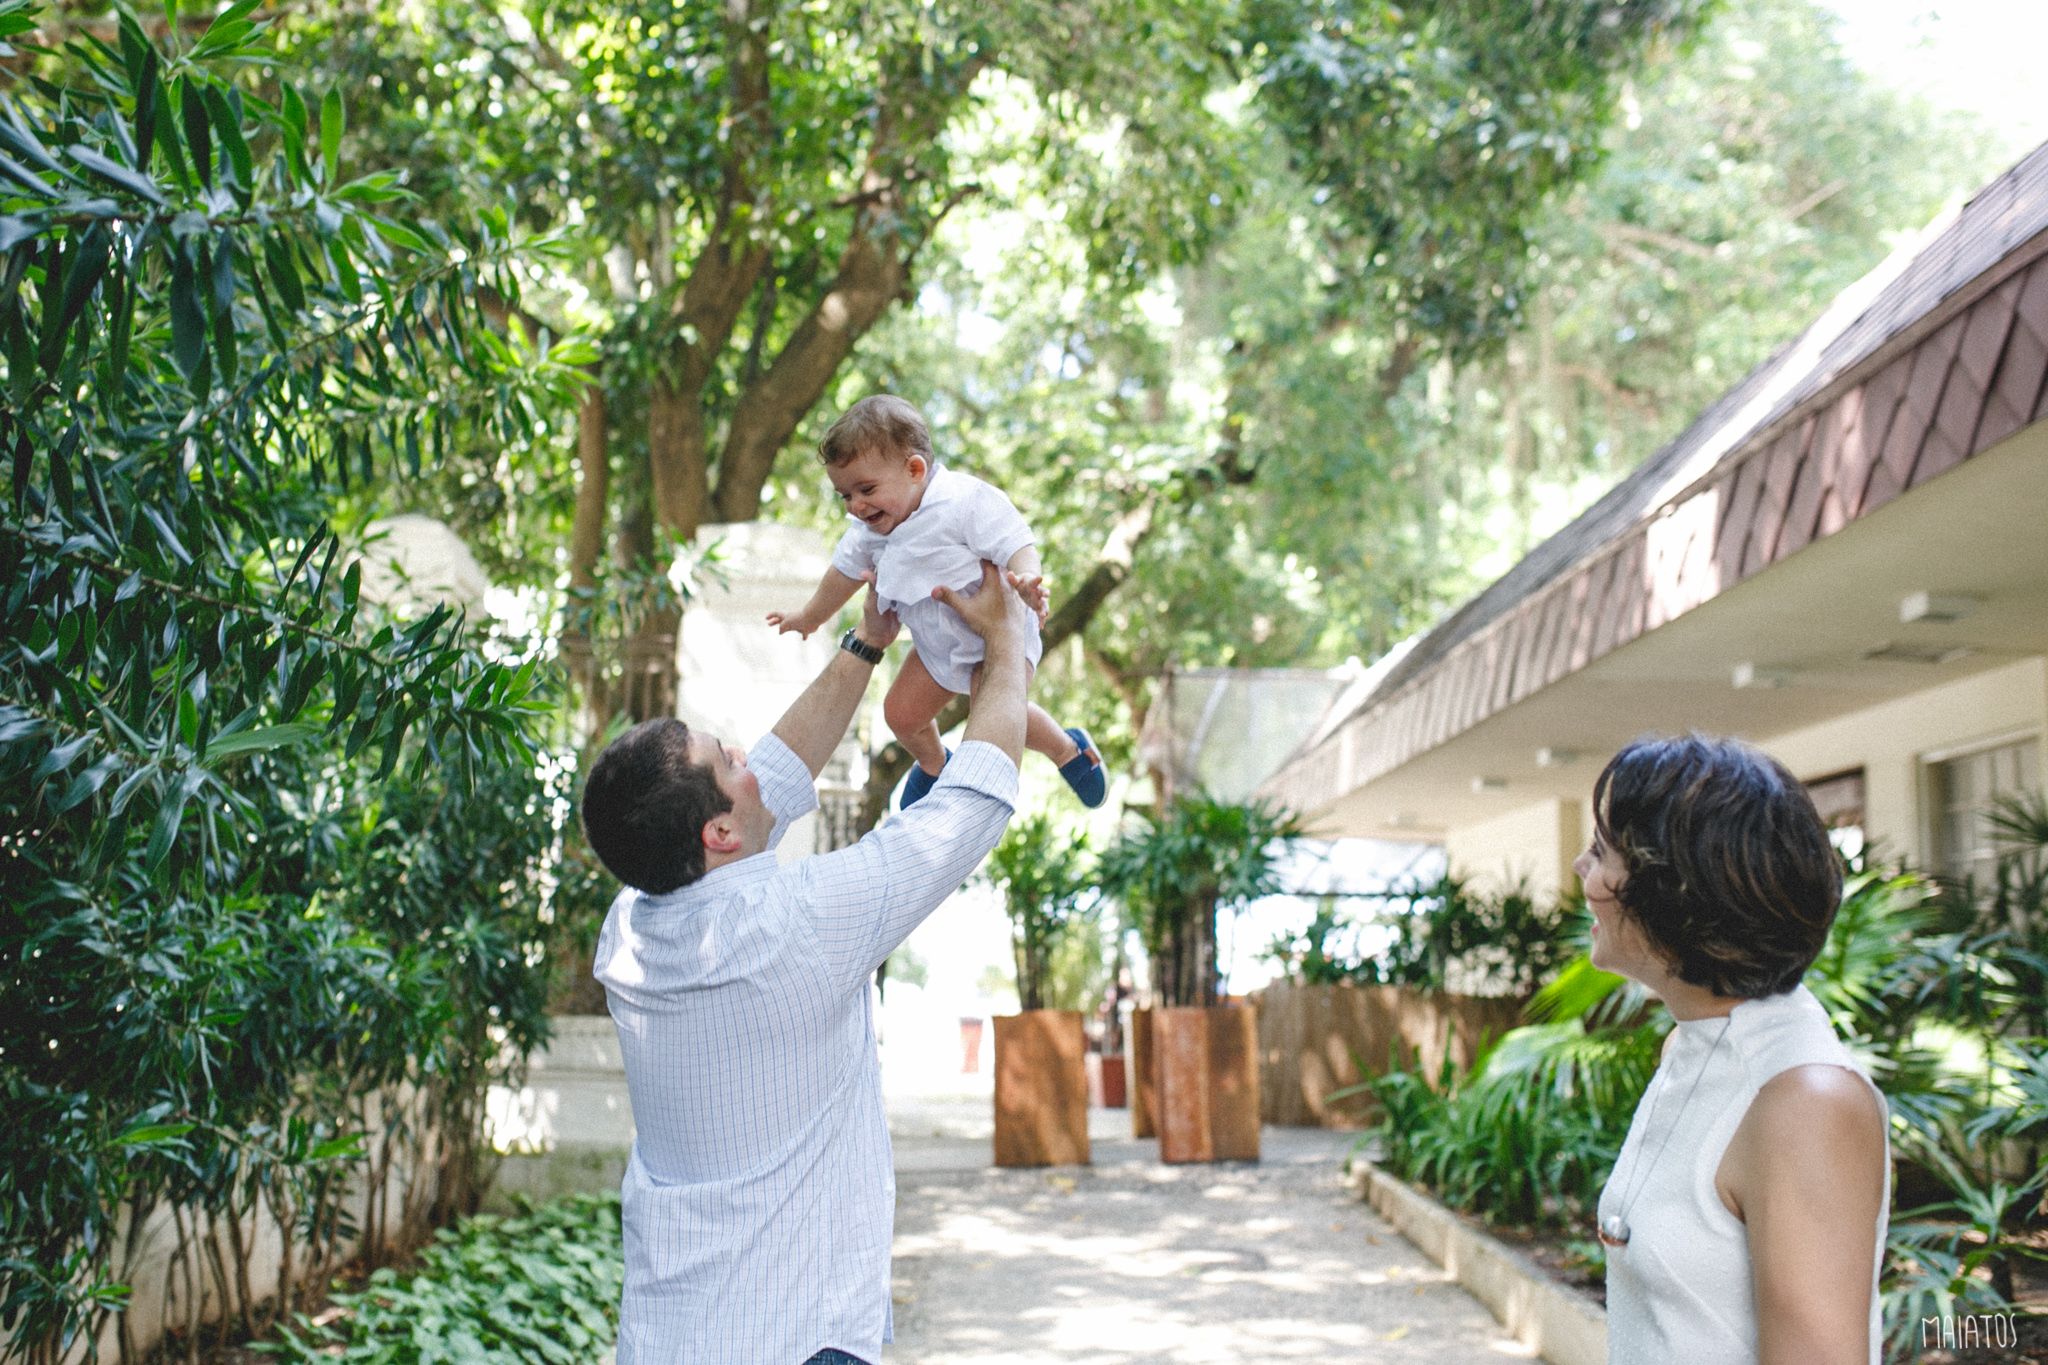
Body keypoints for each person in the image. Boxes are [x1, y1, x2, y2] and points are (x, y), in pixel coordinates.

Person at [578, 560, 1034, 1365]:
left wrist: (866, 642)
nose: (750, 755)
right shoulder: (802, 928)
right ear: (716, 832)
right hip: (794, 1339)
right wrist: (1007, 646)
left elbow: (772, 778)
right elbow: (973, 804)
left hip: (666, 1340)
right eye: (729, 757)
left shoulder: (632, 930)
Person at [1579, 734, 1889, 1365]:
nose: (1583, 872)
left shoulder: (1805, 1101)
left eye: (1600, 850)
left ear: (1676, 892)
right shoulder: (1691, 1047)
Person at [766, 394, 1105, 809]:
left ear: (914, 469)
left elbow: (1015, 539)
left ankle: (1067, 750)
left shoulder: (962, 501)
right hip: (935, 646)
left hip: (996, 639)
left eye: (866, 489)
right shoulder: (868, 531)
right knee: (900, 715)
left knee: (993, 714)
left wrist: (1027, 578)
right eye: (845, 496)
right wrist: (810, 616)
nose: (855, 506)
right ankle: (933, 764)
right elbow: (842, 576)